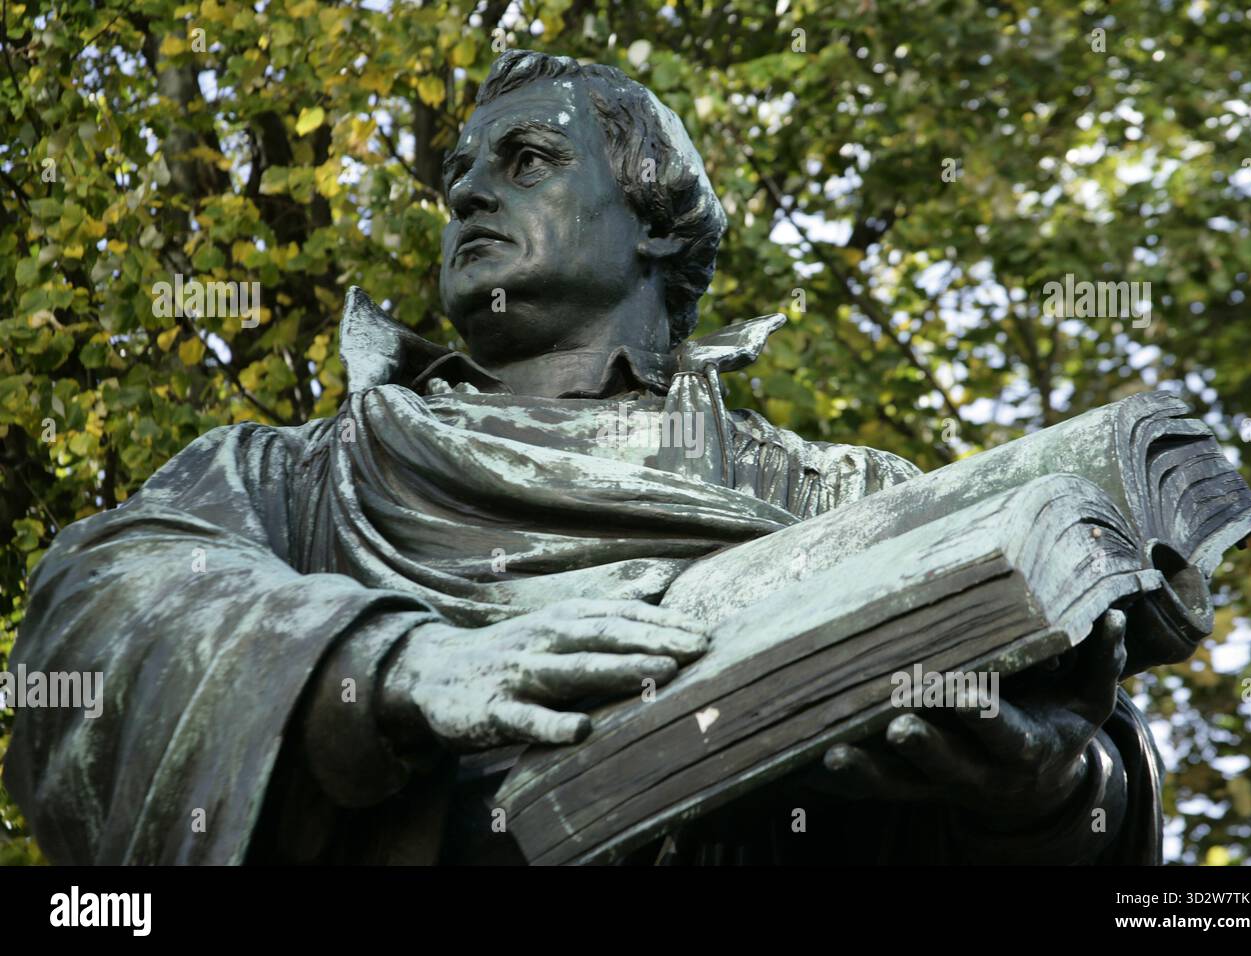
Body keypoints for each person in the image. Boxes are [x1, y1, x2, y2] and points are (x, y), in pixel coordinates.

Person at [5, 50, 1162, 865]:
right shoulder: (297, 477)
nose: (464, 191)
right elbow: (95, 621)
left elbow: (1104, 799)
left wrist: (1052, 793)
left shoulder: (856, 499)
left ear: (655, 217)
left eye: (525, 159)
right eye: (457, 173)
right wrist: (391, 670)